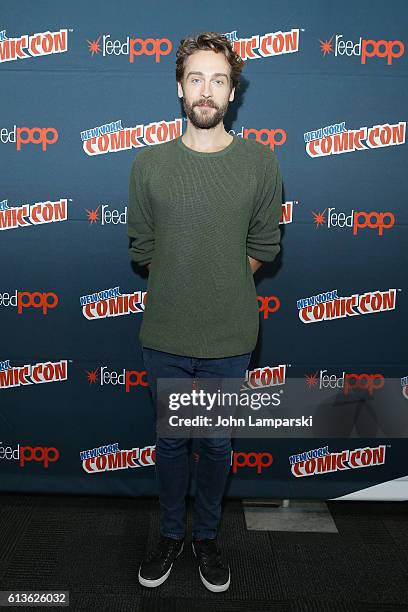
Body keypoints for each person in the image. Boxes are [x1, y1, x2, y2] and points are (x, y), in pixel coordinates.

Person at [127, 31, 283, 593]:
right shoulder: (148, 165)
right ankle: (171, 534)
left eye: (219, 79)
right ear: (179, 88)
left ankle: (206, 539)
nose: (207, 90)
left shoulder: (260, 163)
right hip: (165, 333)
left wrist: (216, 280)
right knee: (171, 442)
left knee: (215, 444)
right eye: (197, 77)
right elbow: (143, 248)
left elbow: (264, 246)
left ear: (233, 93)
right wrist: (186, 282)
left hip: (228, 335)